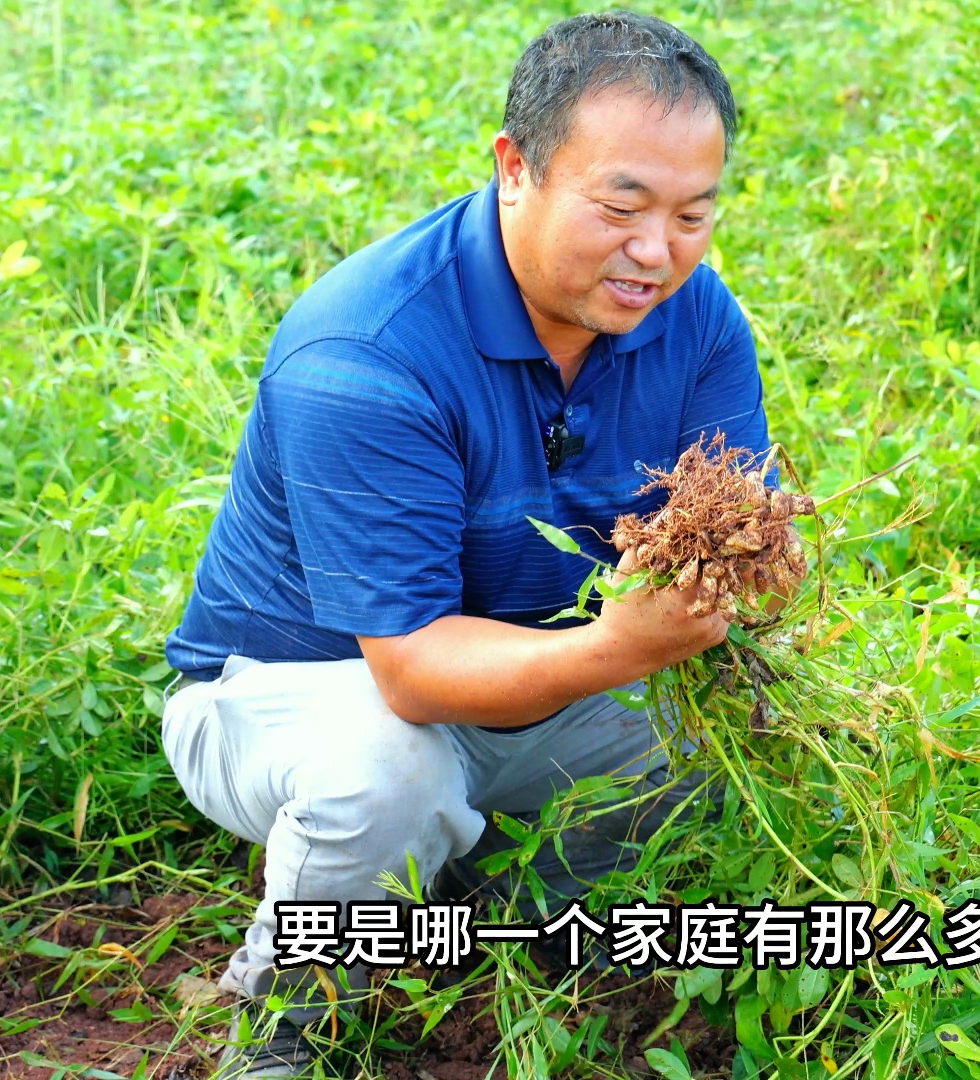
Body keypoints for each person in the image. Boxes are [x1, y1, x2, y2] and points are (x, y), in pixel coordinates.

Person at [157, 10, 780, 1077]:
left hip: (531, 668)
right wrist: (625, 648)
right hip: (297, 690)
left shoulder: (694, 313)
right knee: (386, 771)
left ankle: (491, 928)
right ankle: (286, 1035)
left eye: (692, 215)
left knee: (734, 734)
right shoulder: (368, 350)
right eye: (622, 205)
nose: (656, 252)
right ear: (516, 167)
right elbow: (410, 673)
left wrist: (758, 567)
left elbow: (750, 509)